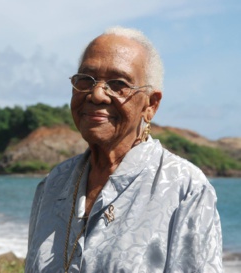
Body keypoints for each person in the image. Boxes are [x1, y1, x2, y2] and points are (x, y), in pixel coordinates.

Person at [25, 26, 222, 273]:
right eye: (86, 80)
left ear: (151, 105)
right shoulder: (53, 185)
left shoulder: (184, 188)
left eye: (118, 84)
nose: (97, 94)